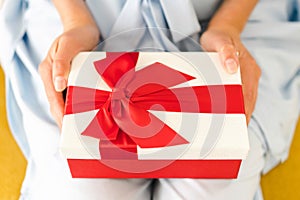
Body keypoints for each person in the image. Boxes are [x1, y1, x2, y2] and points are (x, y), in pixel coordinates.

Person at [0, 0, 299, 199]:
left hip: (228, 13)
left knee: (217, 178)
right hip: (83, 10)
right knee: (82, 186)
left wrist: (229, 24)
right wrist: (75, 20)